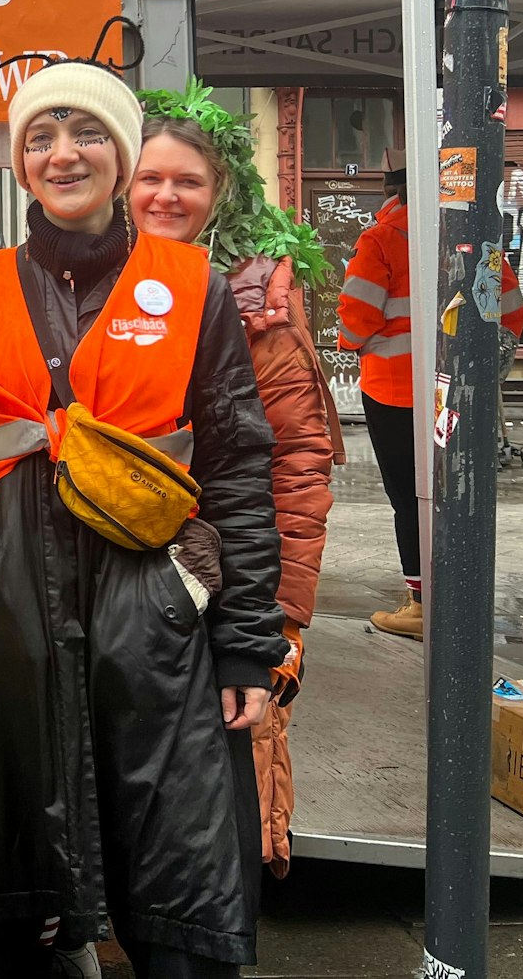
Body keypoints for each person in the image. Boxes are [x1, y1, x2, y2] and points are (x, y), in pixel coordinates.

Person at [0, 61, 285, 979]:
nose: (62, 153)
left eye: (85, 135)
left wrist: (246, 649)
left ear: (121, 158)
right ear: (22, 165)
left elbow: (237, 469)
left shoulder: (191, 288)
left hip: (161, 642)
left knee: (181, 902)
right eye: (40, 136)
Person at [132, 98, 344, 879]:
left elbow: (295, 467)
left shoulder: (262, 312)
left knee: (231, 778)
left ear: (218, 195)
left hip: (230, 578)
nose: (166, 196)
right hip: (138, 581)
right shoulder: (104, 295)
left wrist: (281, 620)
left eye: (187, 181)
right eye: (149, 177)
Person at [337, 151, 523, 640]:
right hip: (459, 393)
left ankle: (422, 605)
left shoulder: (379, 239)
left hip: (395, 392)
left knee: (409, 497)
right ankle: (463, 595)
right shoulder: (477, 238)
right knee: (456, 494)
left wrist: (349, 343)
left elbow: (358, 314)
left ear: (392, 190)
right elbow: (510, 308)